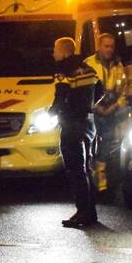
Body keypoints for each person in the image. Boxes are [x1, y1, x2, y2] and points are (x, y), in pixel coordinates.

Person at [52, 37, 101, 228]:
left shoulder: (63, 70)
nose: (53, 54)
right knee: (86, 168)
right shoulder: (89, 69)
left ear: (64, 51)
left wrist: (53, 112)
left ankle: (82, 212)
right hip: (88, 124)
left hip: (71, 124)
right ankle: (91, 211)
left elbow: (61, 96)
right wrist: (89, 106)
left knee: (75, 169)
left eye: (55, 50)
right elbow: (101, 90)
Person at [84, 33, 127, 195]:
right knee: (91, 147)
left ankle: (102, 182)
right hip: (93, 113)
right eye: (106, 46)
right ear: (99, 46)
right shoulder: (88, 64)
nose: (109, 49)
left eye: (112, 46)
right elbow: (84, 91)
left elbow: (122, 91)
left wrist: (115, 106)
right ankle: (92, 181)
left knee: (106, 145)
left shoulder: (118, 66)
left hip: (110, 112)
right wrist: (96, 108)